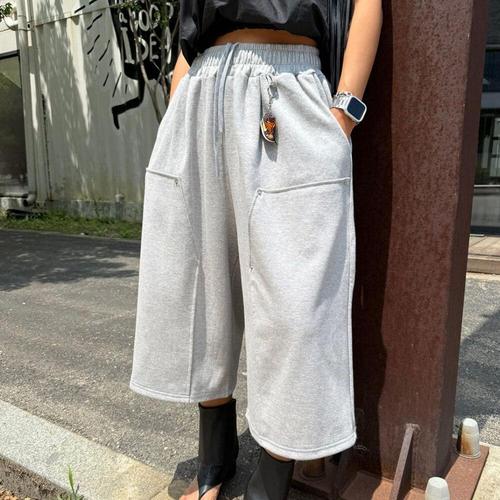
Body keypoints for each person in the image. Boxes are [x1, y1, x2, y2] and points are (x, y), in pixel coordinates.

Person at [129, 0, 383, 498]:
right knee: (201, 283)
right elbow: (190, 24)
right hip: (202, 88)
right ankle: (215, 458)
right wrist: (180, 93)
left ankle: (271, 479)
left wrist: (344, 113)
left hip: (289, 88)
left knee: (295, 304)